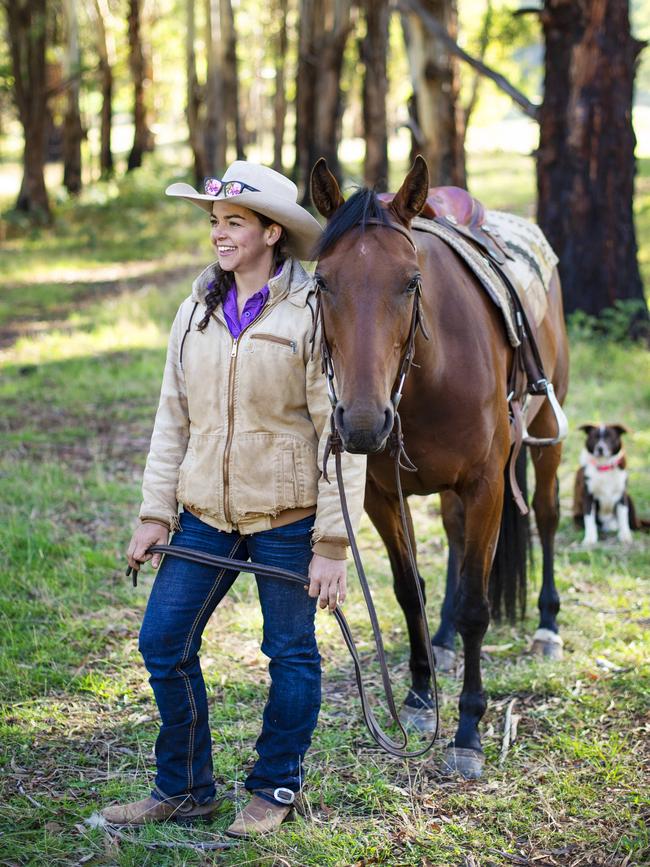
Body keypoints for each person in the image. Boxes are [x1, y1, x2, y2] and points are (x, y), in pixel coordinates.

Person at [100, 162, 366, 837]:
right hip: (204, 514)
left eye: (234, 223)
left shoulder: (312, 311)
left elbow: (338, 433)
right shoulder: (195, 311)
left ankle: (275, 784)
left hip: (288, 515)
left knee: (291, 652)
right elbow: (172, 418)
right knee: (162, 639)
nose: (219, 234)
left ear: (272, 232)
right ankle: (186, 786)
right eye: (215, 222)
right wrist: (154, 512)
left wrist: (331, 545)